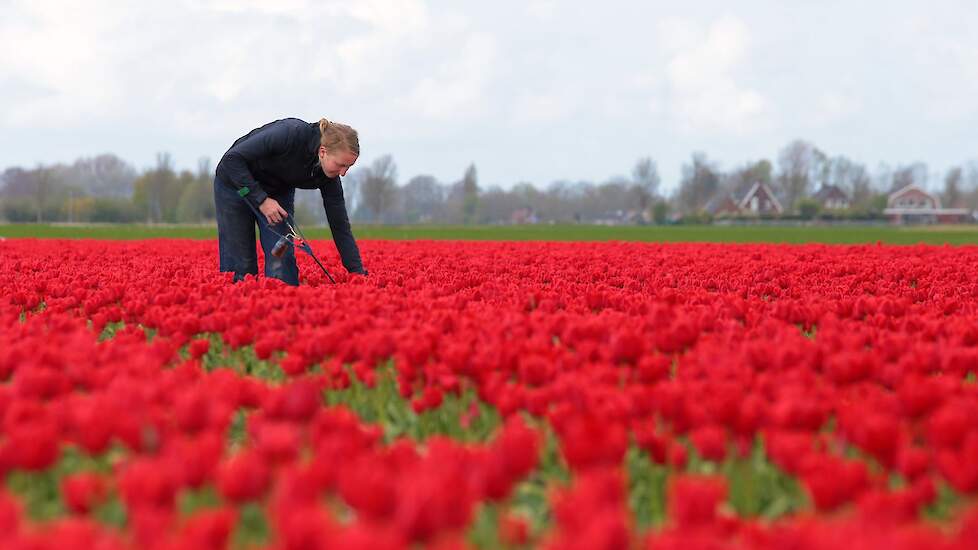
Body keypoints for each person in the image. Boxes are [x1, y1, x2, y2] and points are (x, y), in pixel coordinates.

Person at [213, 117, 368, 285]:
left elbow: (340, 226)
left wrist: (356, 273)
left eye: (348, 167)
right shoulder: (289, 134)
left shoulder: (329, 177)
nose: (343, 173)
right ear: (322, 151)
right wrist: (261, 200)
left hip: (277, 193)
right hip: (237, 186)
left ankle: (281, 304)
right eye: (340, 165)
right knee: (241, 266)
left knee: (280, 258)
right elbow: (231, 160)